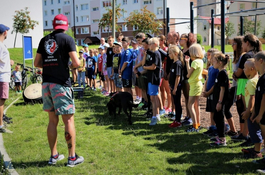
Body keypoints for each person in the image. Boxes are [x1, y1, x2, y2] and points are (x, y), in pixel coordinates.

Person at [34, 14, 84, 167]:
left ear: (54, 25)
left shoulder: (44, 40)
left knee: (52, 121)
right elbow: (76, 63)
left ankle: (53, 156)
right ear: (66, 26)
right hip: (61, 84)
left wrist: (51, 64)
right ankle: (71, 158)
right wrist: (67, 65)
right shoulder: (67, 39)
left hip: (47, 84)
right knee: (68, 120)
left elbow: (37, 63)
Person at [232, 34, 262, 145]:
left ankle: (245, 134)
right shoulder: (257, 54)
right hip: (254, 81)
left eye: (243, 43)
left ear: (247, 43)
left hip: (244, 83)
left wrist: (235, 75)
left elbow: (239, 72)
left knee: (245, 111)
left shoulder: (246, 56)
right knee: (250, 110)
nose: (242, 45)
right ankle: (247, 134)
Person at [241, 59, 262, 158]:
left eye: (245, 68)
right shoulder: (257, 79)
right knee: (256, 130)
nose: (243, 70)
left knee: (254, 131)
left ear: (252, 69)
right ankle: (256, 148)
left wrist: (248, 111)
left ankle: (257, 152)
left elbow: (252, 97)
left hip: (252, 111)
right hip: (255, 110)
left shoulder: (251, 82)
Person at [210, 53, 229, 146]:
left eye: (214, 61)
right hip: (217, 100)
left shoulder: (223, 73)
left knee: (219, 118)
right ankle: (219, 135)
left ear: (220, 62)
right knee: (216, 117)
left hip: (220, 101)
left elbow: (223, 89)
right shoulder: (219, 72)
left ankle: (222, 139)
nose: (212, 63)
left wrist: (220, 102)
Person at [143, 37, 162, 125]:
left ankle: (154, 116)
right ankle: (156, 114)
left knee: (153, 98)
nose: (148, 46)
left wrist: (145, 68)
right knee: (152, 97)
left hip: (155, 78)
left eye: (150, 44)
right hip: (151, 77)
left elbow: (153, 67)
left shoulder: (156, 54)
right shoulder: (152, 54)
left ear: (154, 44)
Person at [185, 44, 204, 132]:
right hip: (198, 83)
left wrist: (187, 64)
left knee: (190, 105)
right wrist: (187, 62)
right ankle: (198, 123)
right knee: (196, 104)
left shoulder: (195, 62)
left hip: (194, 85)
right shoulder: (200, 61)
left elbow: (189, 74)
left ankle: (194, 125)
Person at [251, 51, 265, 173]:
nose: (254, 64)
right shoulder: (261, 78)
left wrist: (260, 114)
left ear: (261, 61)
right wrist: (255, 112)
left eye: (255, 61)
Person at [179, 33, 196, 126]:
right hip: (183, 76)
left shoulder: (190, 51)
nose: (179, 41)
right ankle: (188, 115)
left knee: (189, 99)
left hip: (189, 77)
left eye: (181, 39)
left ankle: (191, 117)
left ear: (186, 40)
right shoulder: (182, 50)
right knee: (186, 98)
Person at [202, 48, 220, 135]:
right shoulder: (210, 68)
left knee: (215, 110)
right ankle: (212, 126)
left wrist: (209, 92)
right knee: (211, 110)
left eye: (212, 57)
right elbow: (207, 79)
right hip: (208, 92)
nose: (210, 58)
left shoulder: (217, 70)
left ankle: (217, 127)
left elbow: (216, 83)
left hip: (214, 93)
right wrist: (205, 89)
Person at [0, 24, 14, 133]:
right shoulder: (0, 45)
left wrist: (8, 63)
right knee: (1, 100)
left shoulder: (2, 45)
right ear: (4, 32)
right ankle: (0, 125)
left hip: (3, 75)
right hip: (2, 76)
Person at [168, 45, 184, 128]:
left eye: (170, 53)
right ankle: (176, 119)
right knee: (175, 102)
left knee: (177, 103)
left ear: (175, 53)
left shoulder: (178, 63)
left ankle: (178, 120)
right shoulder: (173, 63)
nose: (169, 55)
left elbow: (178, 77)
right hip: (172, 86)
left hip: (176, 87)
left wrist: (175, 88)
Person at [159, 35, 171, 114]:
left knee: (168, 90)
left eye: (159, 40)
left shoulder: (165, 49)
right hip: (161, 72)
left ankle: (169, 106)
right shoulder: (159, 49)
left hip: (165, 71)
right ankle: (163, 105)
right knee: (162, 90)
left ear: (162, 41)